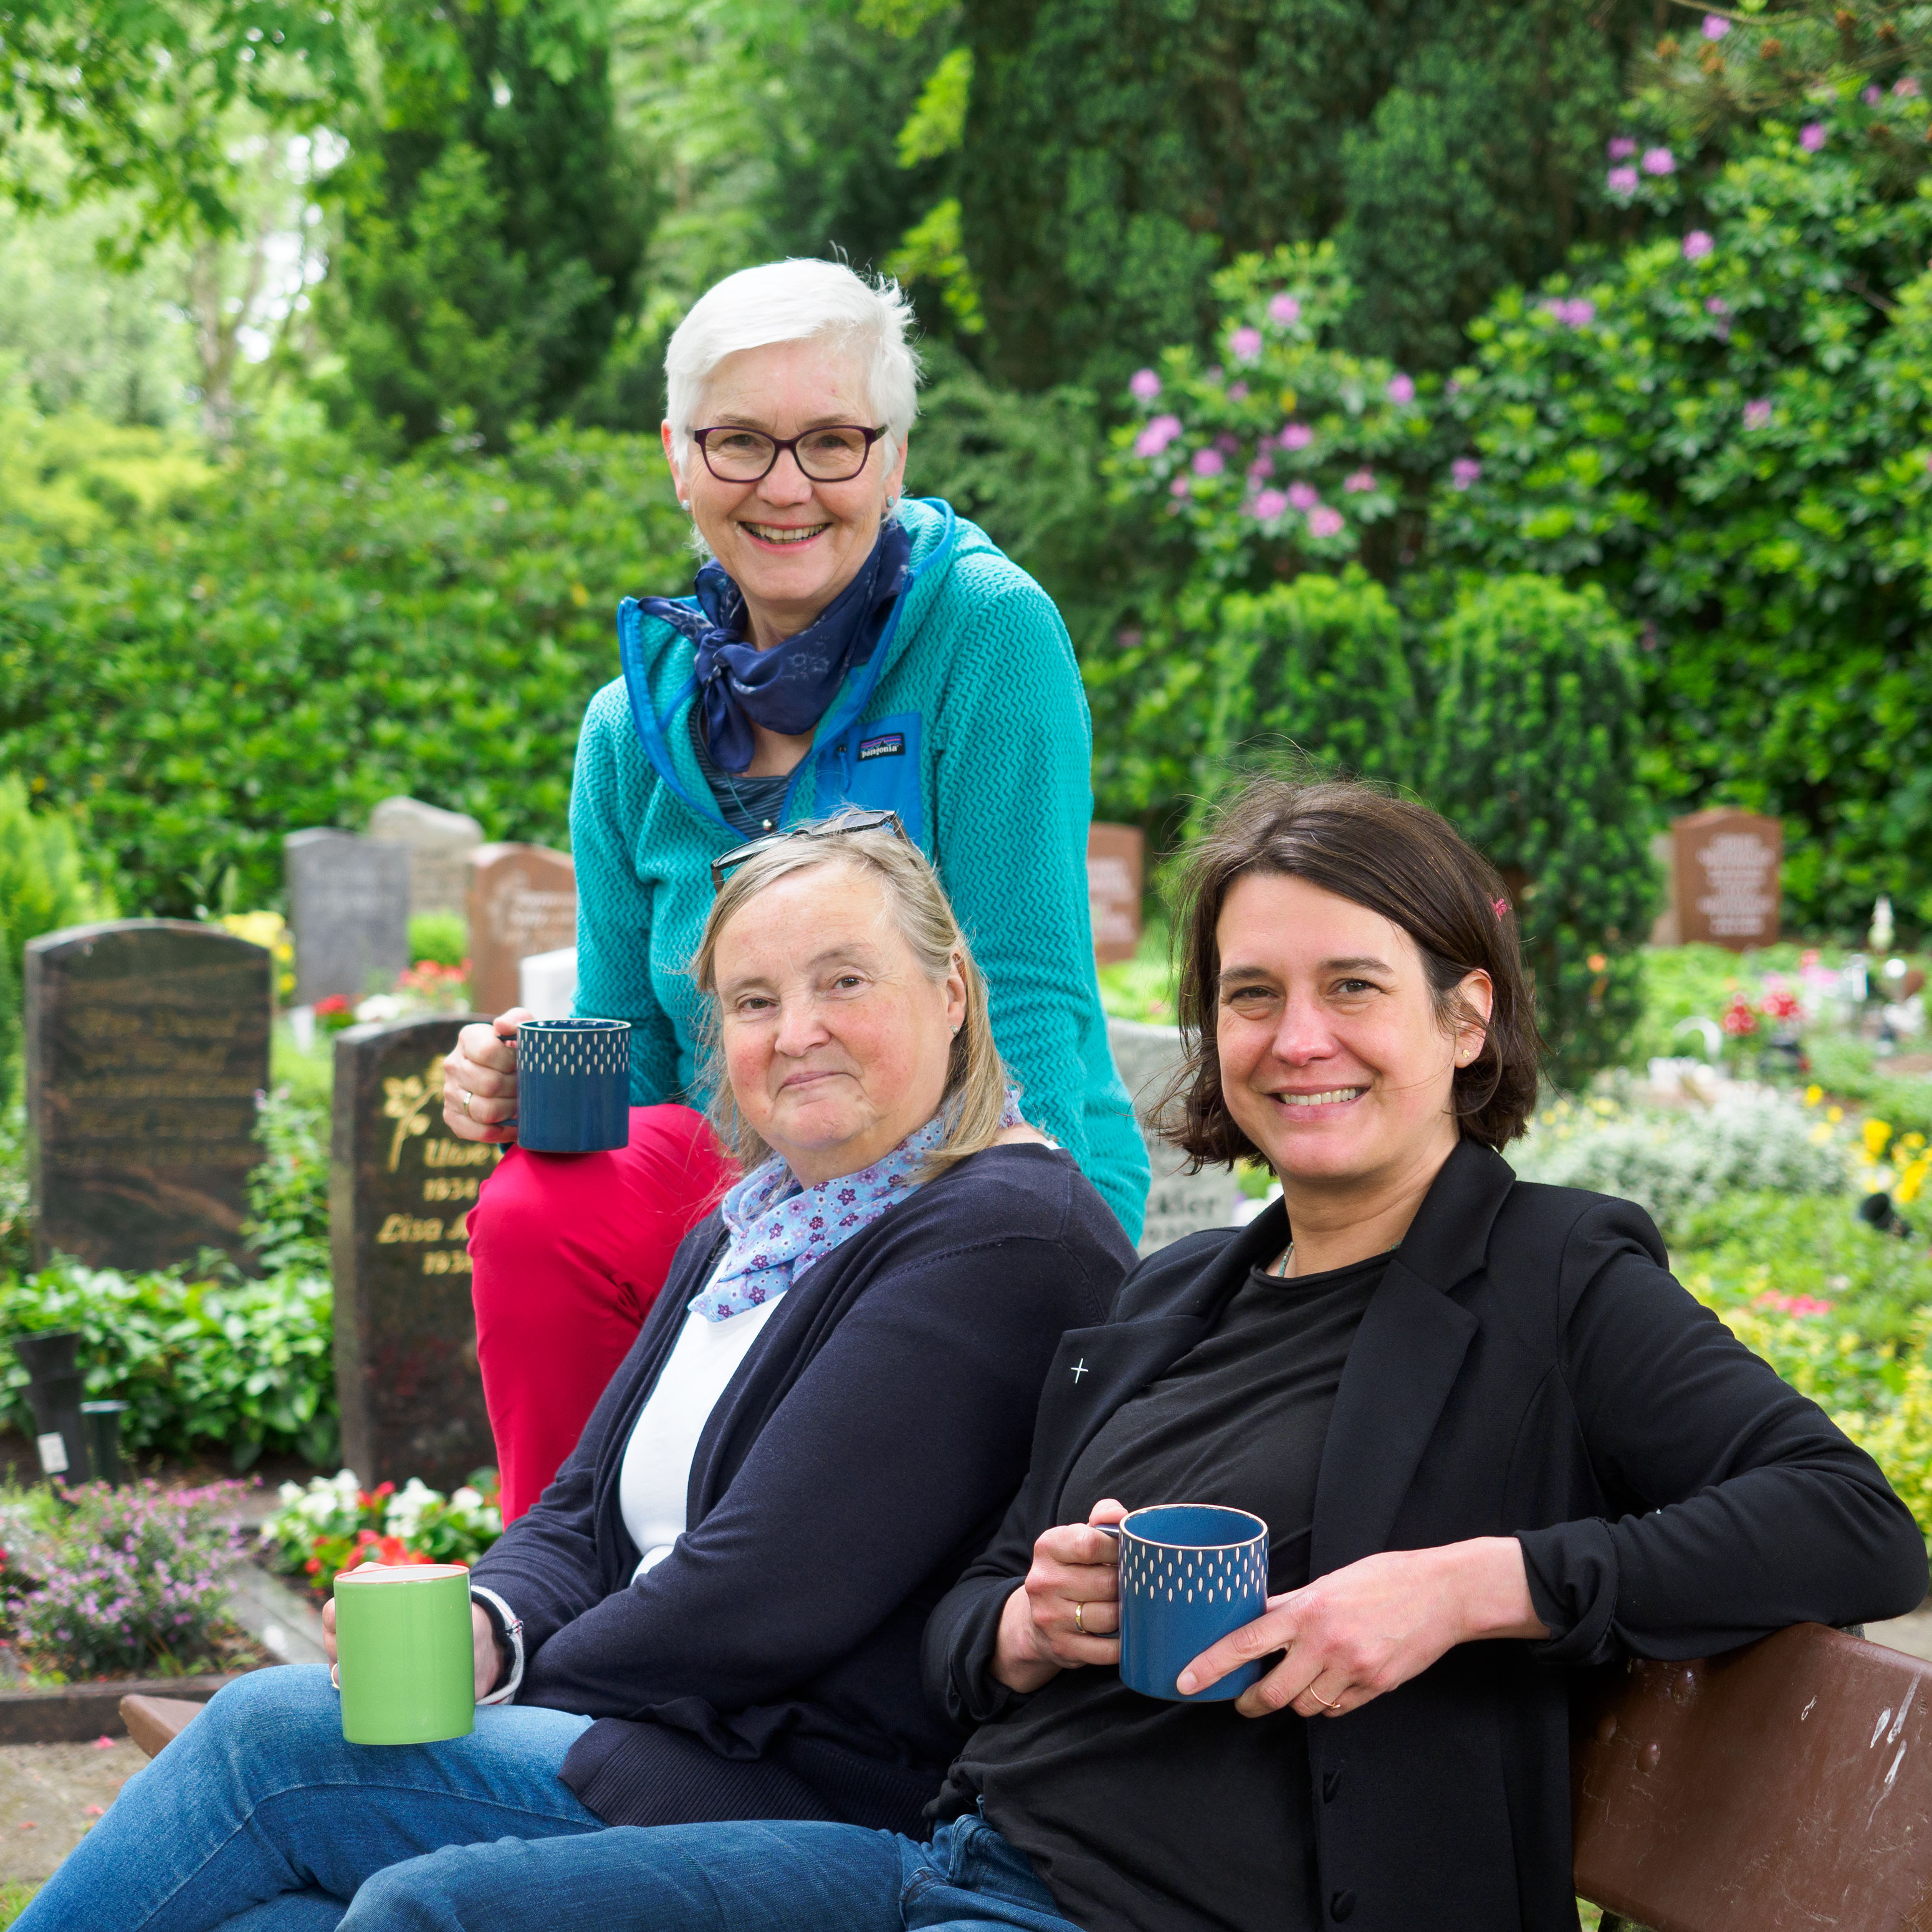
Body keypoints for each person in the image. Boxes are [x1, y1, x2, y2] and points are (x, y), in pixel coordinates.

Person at [340, 777, 1926, 1932]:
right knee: (414, 1913)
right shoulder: (1172, 1303)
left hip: (1183, 1905)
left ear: (1463, 1017)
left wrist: (1460, 1586)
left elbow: (1847, 1517)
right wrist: (1029, 1619)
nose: (1294, 1037)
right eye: (1251, 996)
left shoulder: (1550, 1273)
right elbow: (962, 1624)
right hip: (951, 1862)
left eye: (1350, 988)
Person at [16, 815, 1137, 1932]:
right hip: (650, 1737)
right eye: (753, 1002)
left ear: (952, 994)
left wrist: (500, 1690)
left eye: (844, 980)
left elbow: (761, 1596)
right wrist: (488, 1624)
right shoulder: (753, 1226)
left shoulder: (1003, 1230)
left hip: (798, 1792)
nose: (797, 1032)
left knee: (271, 1741)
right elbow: (582, 1509)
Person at [446, 257, 1148, 1522]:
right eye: (739, 442)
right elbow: (637, 1075)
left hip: (955, 1190)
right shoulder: (628, 727)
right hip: (742, 1206)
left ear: (890, 457)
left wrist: (1060, 1258)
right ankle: (553, 1575)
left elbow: (1030, 994)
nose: (785, 486)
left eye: (830, 441)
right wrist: (521, 1090)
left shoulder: (984, 634)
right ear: (676, 456)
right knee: (538, 1200)